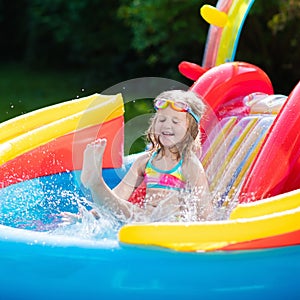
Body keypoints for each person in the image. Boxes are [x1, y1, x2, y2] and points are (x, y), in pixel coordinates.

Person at [63, 89, 211, 224]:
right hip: (146, 221)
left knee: (133, 215)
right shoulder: (146, 161)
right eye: (162, 120)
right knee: (128, 211)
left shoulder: (189, 165)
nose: (167, 125)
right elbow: (119, 195)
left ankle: (96, 182)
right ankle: (96, 183)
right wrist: (84, 218)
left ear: (190, 130)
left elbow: (205, 211)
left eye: (175, 121)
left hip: (172, 227)